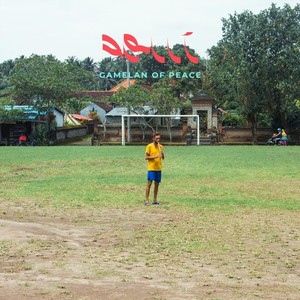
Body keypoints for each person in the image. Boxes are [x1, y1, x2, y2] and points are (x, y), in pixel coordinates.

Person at [145, 132, 164, 206]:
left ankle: (154, 200)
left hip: (158, 168)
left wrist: (162, 154)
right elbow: (146, 157)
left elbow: (162, 157)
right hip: (151, 168)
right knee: (149, 184)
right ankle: (146, 200)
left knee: (157, 185)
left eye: (159, 138)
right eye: (157, 138)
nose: (158, 140)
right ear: (153, 138)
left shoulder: (161, 147)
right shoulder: (149, 146)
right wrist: (155, 156)